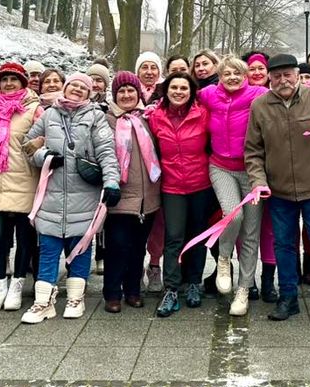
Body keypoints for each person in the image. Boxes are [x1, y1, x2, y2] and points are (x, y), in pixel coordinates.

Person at [245, 53, 310, 334]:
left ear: (297, 74)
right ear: (270, 78)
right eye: (277, 76)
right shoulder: (260, 106)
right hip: (278, 192)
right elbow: (253, 151)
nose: (283, 80)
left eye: (288, 74)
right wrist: (258, 181)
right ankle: (288, 298)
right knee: (284, 246)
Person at [22, 73, 120, 322]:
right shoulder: (49, 115)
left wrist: (111, 181)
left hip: (84, 195)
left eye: (82, 87)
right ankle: (43, 301)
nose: (77, 89)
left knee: (81, 247)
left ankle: (76, 298)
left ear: (89, 94)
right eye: (73, 85)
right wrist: (44, 157)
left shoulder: (95, 116)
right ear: (65, 89)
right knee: (48, 248)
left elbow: (107, 151)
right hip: (52, 194)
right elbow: (28, 145)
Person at [202, 55, 270, 315]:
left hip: (252, 170)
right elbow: (178, 97)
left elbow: (291, 93)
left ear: (245, 76)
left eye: (237, 73)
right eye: (226, 73)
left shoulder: (258, 94)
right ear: (219, 76)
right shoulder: (209, 94)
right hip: (220, 167)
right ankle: (223, 259)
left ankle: (243, 289)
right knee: (233, 216)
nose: (232, 78)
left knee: (251, 232)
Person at [147, 71, 215, 317]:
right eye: (174, 87)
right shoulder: (155, 117)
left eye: (183, 88)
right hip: (172, 187)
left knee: (196, 237)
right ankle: (172, 289)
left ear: (191, 92)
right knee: (174, 237)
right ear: (166, 91)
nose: (178, 92)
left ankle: (194, 283)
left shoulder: (203, 115)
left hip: (200, 185)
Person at [0, 62, 40, 313]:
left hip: (23, 180)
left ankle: (17, 286)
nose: (9, 84)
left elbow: (48, 132)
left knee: (24, 239)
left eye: (14, 79)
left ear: (23, 83)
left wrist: (40, 141)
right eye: (4, 80)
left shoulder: (34, 108)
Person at [103, 72, 161, 312]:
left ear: (139, 93)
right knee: (117, 245)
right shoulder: (106, 120)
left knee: (138, 246)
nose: (126, 95)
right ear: (114, 95)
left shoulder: (148, 118)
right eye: (121, 91)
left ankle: (133, 290)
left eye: (131, 90)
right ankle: (113, 293)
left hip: (148, 196)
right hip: (120, 194)